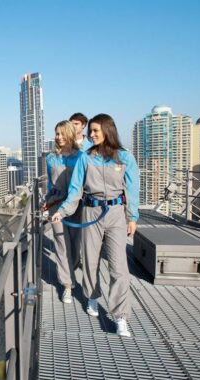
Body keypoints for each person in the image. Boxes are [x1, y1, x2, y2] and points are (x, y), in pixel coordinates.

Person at [52, 113, 139, 337]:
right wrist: (62, 212)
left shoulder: (124, 157)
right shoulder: (86, 158)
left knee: (118, 266)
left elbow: (132, 190)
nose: (91, 135)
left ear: (108, 131)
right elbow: (75, 190)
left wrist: (133, 217)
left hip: (116, 214)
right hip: (90, 211)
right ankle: (92, 295)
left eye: (95, 131)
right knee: (90, 260)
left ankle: (120, 316)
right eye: (90, 131)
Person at [43, 121, 82, 304]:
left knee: (75, 244)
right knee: (61, 244)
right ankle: (67, 285)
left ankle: (71, 269)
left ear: (69, 134)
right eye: (56, 133)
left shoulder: (81, 157)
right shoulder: (51, 158)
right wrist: (47, 201)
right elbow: (51, 183)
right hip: (56, 204)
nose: (58, 137)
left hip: (77, 205)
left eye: (61, 133)